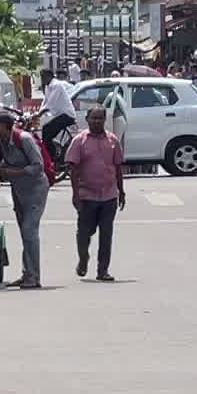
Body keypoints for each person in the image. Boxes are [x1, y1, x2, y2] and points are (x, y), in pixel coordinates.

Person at [0, 110, 49, 289]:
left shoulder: (24, 139)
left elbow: (38, 166)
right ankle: (27, 273)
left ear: (4, 126)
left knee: (30, 231)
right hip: (19, 191)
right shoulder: (1, 143)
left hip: (35, 190)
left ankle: (34, 277)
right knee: (25, 233)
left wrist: (14, 172)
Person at [65, 105, 124, 281]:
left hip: (109, 195)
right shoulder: (79, 141)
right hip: (87, 196)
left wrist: (122, 191)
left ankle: (103, 270)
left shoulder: (112, 140)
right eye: (93, 118)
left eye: (100, 118)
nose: (97, 121)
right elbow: (73, 170)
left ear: (105, 120)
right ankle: (83, 258)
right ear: (87, 119)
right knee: (84, 233)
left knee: (106, 234)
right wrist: (75, 195)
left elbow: (118, 167)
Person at [35, 68, 76, 162]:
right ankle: (50, 153)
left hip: (67, 115)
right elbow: (44, 102)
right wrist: (37, 113)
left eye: (43, 77)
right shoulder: (47, 86)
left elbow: (51, 103)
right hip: (58, 115)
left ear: (49, 76)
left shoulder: (57, 85)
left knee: (47, 133)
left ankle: (53, 159)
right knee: (45, 130)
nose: (42, 79)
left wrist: (39, 114)